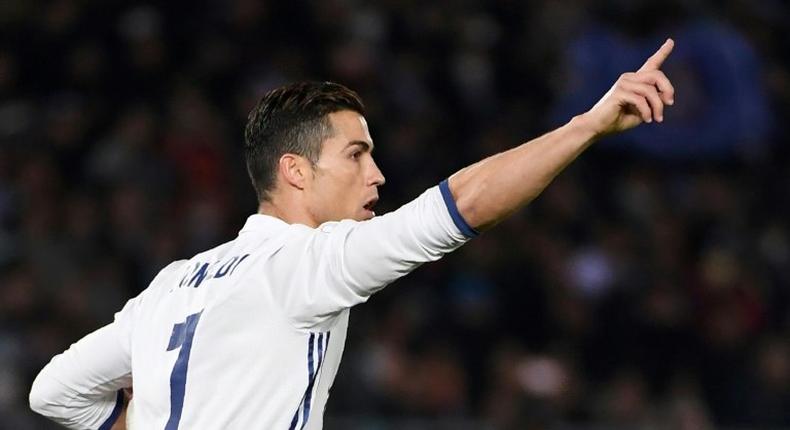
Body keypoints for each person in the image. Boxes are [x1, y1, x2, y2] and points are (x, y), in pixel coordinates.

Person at [29, 39, 676, 430]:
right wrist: (584, 128)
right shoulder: (303, 267)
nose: (378, 174)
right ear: (295, 172)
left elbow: (53, 392)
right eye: (357, 155)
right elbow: (462, 207)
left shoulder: (172, 286)